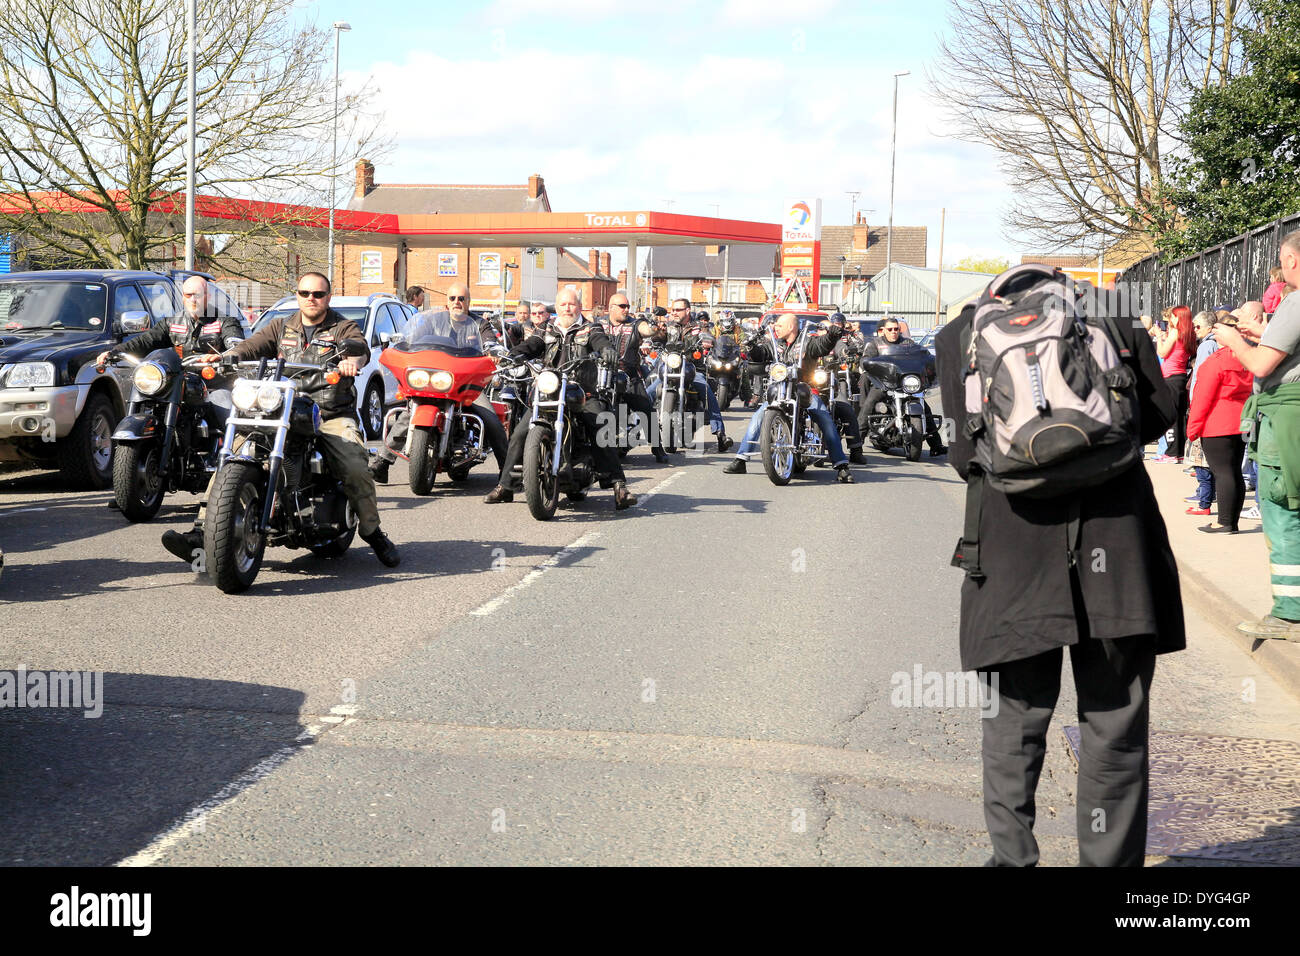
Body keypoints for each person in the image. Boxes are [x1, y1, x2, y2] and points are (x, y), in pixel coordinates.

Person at [936, 295, 1183, 867]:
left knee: (1013, 726)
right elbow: (1157, 417)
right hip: (1117, 548)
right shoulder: (1109, 313)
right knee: (1114, 727)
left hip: (1011, 551)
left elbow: (960, 449)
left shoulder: (962, 333)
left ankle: (1014, 861)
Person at [181, 272, 400, 567]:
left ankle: (373, 532)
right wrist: (225, 356)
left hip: (329, 412)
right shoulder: (280, 326)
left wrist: (352, 361)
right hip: (282, 405)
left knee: (354, 465)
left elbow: (357, 346)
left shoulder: (341, 327)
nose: (311, 298)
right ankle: (203, 532)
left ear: (328, 298)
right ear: (297, 295)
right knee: (233, 452)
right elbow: (252, 346)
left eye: (318, 294)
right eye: (305, 293)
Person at [1214, 231, 1300, 638]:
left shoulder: (1297, 301)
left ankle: (1289, 613)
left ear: (1292, 259)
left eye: (1284, 260)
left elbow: (1263, 367)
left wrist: (1233, 340)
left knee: (1282, 509)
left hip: (1285, 425)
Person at [483, 287, 638, 509]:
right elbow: (532, 345)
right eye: (563, 304)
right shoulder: (547, 327)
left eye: (572, 303)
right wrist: (513, 355)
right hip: (550, 387)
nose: (567, 308)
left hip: (581, 389)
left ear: (579, 306)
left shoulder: (589, 327)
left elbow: (599, 340)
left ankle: (618, 486)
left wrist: (606, 351)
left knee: (599, 424)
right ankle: (506, 486)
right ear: (556, 307)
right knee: (519, 432)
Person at [368, 284, 509, 483]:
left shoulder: (478, 324)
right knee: (408, 413)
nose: (457, 302)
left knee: (491, 418)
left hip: (466, 387)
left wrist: (493, 351)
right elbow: (413, 340)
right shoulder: (433, 321)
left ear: (469, 302)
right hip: (433, 382)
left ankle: (507, 472)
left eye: (461, 298)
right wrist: (401, 346)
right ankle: (382, 461)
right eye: (452, 298)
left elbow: (489, 341)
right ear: (447, 302)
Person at [96, 274, 243, 436]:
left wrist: (225, 356)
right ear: (183, 297)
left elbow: (237, 344)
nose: (193, 299)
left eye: (198, 295)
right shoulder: (172, 323)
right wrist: (115, 352)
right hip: (179, 383)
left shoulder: (224, 321)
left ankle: (227, 456)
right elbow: (145, 341)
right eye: (188, 295)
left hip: (214, 385)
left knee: (226, 412)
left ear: (207, 296)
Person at [722, 312, 855, 482]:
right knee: (757, 418)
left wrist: (832, 334)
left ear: (791, 327)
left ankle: (841, 465)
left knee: (825, 419)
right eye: (775, 326)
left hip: (805, 388)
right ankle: (741, 459)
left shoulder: (808, 342)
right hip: (779, 390)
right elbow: (761, 354)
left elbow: (823, 345)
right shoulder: (775, 344)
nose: (775, 328)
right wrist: (752, 347)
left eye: (779, 325)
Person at [1186, 314, 1252, 535]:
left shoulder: (1216, 362)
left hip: (1217, 424)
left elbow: (1202, 399)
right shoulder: (1247, 357)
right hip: (1241, 421)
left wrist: (1193, 429)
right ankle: (1230, 521)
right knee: (1233, 472)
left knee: (1223, 473)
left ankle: (1224, 522)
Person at [645, 299, 733, 453]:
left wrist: (707, 341)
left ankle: (720, 434)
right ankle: (633, 426)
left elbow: (708, 337)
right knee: (648, 391)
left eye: (678, 310)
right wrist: (651, 337)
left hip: (691, 369)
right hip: (670, 369)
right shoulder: (669, 327)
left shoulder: (698, 328)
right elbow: (657, 337)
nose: (674, 313)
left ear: (687, 310)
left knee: (707, 392)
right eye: (672, 310)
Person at [858, 317, 946, 457]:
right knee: (869, 404)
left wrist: (931, 363)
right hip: (884, 383)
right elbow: (865, 360)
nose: (893, 332)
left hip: (905, 384)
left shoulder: (908, 343)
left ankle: (936, 445)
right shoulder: (875, 344)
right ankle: (857, 444)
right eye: (890, 329)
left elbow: (923, 355)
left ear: (899, 330)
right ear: (883, 331)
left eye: (896, 329)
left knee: (925, 409)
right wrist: (870, 364)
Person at [602, 292, 667, 463]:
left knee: (646, 408)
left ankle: (657, 447)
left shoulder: (635, 324)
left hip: (629, 375)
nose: (626, 309)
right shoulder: (599, 324)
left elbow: (646, 330)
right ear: (611, 308)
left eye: (628, 306)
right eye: (622, 306)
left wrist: (654, 327)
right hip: (603, 376)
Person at [1184, 310, 1220, 516]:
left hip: (1201, 403)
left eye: (1198, 326)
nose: (1195, 330)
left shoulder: (1207, 345)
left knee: (1200, 457)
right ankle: (1205, 495)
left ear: (1208, 326)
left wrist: (1195, 402)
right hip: (1205, 403)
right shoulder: (1211, 343)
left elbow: (1202, 376)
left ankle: (1204, 498)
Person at [1152, 305, 1195, 463]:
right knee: (1180, 416)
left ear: (1179, 318)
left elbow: (1162, 353)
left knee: (1170, 416)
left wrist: (1158, 336)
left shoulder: (1176, 332)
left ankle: (1171, 453)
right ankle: (1179, 452)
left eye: (1174, 316)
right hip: (1181, 377)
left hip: (1170, 377)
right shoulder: (1188, 334)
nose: (1171, 319)